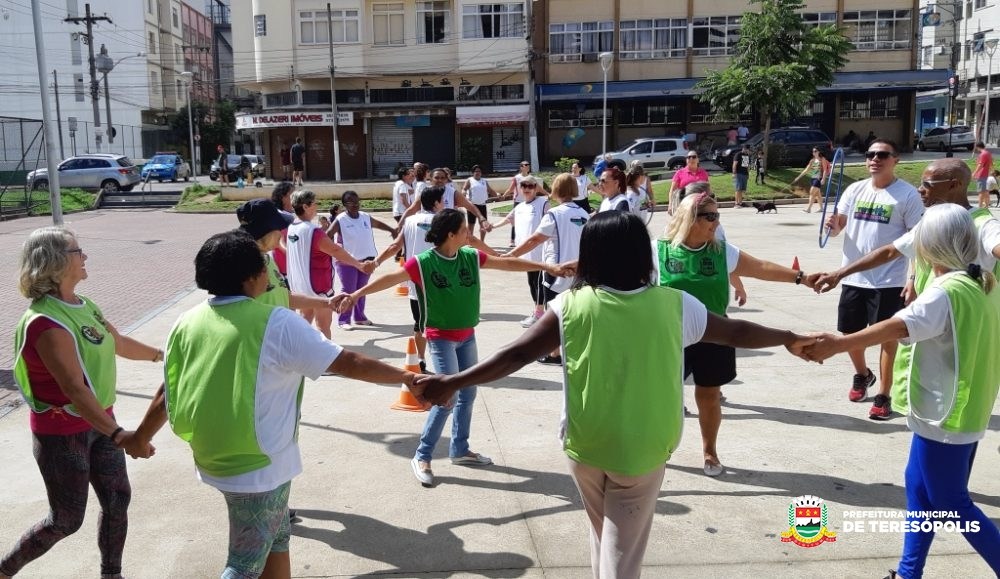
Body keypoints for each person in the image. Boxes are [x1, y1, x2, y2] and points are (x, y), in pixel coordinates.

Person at [414, 211, 813, 579]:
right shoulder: (674, 305)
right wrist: (790, 337)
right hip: (643, 450)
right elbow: (736, 331)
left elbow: (515, 354)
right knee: (623, 557)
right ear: (642, 254)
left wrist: (453, 381)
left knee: (604, 533)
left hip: (585, 445)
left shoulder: (569, 305)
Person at [128, 230, 420, 579]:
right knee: (244, 564)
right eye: (265, 266)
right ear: (253, 277)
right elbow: (348, 362)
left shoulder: (186, 321)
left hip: (216, 451)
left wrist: (140, 436)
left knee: (278, 538)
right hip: (257, 462)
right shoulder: (275, 322)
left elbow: (167, 391)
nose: (270, 273)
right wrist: (409, 378)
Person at [805, 204, 1000, 579]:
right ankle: (909, 573)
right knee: (920, 491)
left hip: (948, 414)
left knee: (949, 501)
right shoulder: (977, 282)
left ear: (928, 246)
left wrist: (838, 343)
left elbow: (897, 326)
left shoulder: (945, 292)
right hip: (957, 410)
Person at [336, 209, 568, 487]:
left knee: (469, 391)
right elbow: (391, 279)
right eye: (464, 230)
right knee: (446, 397)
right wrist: (356, 294)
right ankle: (422, 455)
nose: (468, 234)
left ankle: (460, 449)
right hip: (440, 337)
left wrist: (547, 267)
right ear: (451, 234)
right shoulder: (423, 263)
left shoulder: (469, 256)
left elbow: (506, 264)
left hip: (467, 335)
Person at [1, 227, 161, 579]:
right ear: (56, 262)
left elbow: (117, 342)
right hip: (63, 434)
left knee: (118, 501)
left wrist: (162, 356)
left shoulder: (84, 305)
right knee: (66, 520)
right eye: (78, 251)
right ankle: (4, 569)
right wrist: (120, 435)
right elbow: (74, 388)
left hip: (102, 422)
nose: (85, 256)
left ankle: (111, 573)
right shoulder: (45, 321)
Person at [810, 159, 1000, 422]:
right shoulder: (934, 221)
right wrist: (840, 273)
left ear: (954, 185)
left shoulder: (981, 228)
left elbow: (897, 328)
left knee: (949, 401)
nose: (920, 190)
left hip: (953, 336)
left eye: (927, 184)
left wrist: (839, 344)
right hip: (936, 330)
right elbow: (890, 251)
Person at [655, 193, 817, 476]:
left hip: (716, 334)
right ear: (690, 218)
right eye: (711, 216)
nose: (717, 223)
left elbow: (761, 268)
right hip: (671, 336)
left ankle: (710, 451)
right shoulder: (659, 249)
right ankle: (659, 448)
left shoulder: (721, 251)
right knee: (664, 398)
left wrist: (801, 278)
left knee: (709, 396)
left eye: (718, 216)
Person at [822, 139, 923, 419]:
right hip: (854, 277)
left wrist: (912, 278)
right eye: (870, 155)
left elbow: (917, 241)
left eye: (881, 155)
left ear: (896, 159)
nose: (874, 159)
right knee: (850, 335)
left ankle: (883, 395)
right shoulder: (854, 190)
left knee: (886, 340)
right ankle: (863, 374)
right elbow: (838, 226)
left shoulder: (907, 195)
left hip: (888, 281)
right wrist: (832, 226)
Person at [506, 173, 589, 365]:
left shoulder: (554, 214)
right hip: (579, 273)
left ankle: (555, 354)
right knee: (577, 313)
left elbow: (535, 239)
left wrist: (512, 255)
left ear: (556, 189)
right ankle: (575, 350)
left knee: (555, 316)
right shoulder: (584, 214)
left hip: (556, 273)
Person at [285, 190, 374, 339]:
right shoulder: (314, 232)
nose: (317, 206)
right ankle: (326, 359)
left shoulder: (292, 228)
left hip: (299, 286)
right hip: (318, 286)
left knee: (304, 319)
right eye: (314, 203)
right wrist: (358, 265)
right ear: (305, 207)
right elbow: (336, 250)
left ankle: (298, 351)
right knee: (323, 326)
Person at [326, 190, 395, 330]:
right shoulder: (341, 219)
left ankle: (359, 317)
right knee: (349, 290)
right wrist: (334, 250)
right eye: (352, 202)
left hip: (366, 262)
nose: (356, 205)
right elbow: (327, 235)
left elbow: (379, 224)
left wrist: (392, 230)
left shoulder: (365, 216)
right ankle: (343, 320)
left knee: (362, 290)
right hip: (347, 262)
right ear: (345, 204)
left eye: (357, 201)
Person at [493, 175, 551, 327]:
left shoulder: (543, 203)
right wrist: (491, 226)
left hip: (539, 253)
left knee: (539, 283)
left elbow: (549, 224)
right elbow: (506, 220)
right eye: (523, 186)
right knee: (531, 283)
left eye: (530, 186)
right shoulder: (519, 207)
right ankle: (538, 311)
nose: (526, 189)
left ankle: (539, 314)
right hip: (525, 254)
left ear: (536, 188)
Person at [396, 168, 491, 235]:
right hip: (428, 230)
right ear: (431, 179)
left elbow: (470, 206)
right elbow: (412, 209)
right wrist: (400, 224)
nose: (440, 180)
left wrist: (482, 219)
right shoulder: (425, 193)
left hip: (447, 232)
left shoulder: (453, 193)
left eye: (442, 178)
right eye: (437, 178)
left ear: (446, 180)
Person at [462, 165, 499, 241]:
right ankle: (470, 241)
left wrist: (498, 195)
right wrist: (464, 193)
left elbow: (490, 190)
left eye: (479, 171)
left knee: (483, 224)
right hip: (472, 206)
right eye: (476, 171)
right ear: (473, 173)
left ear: (481, 173)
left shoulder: (484, 181)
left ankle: (482, 241)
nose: (477, 173)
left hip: (482, 205)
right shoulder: (470, 180)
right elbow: (464, 189)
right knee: (471, 224)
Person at [270, 181, 295, 277]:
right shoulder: (281, 216)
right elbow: (279, 241)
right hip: (284, 265)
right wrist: (294, 255)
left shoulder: (287, 215)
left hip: (289, 264)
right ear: (282, 197)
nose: (296, 197)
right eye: (292, 194)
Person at [797, 147, 831, 213]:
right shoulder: (812, 160)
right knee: (818, 194)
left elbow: (825, 170)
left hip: (819, 178)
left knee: (812, 192)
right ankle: (822, 208)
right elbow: (806, 170)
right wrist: (799, 177)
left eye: (815, 151)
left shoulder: (822, 159)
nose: (814, 153)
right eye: (813, 151)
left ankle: (808, 209)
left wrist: (823, 179)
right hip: (813, 178)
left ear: (818, 152)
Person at [973, 142, 993, 208]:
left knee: (981, 192)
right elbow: (991, 164)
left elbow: (980, 165)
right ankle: (986, 206)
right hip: (986, 174)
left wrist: (974, 173)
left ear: (977, 147)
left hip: (981, 175)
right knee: (985, 191)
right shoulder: (988, 153)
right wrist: (990, 173)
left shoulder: (983, 154)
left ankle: (980, 207)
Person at [732, 144, 753, 208]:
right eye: (747, 149)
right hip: (739, 173)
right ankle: (736, 203)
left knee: (742, 189)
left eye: (748, 149)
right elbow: (735, 164)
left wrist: (748, 174)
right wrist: (734, 173)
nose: (747, 151)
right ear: (743, 148)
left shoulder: (747, 156)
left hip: (745, 174)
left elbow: (747, 166)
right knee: (738, 189)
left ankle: (740, 203)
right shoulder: (738, 154)